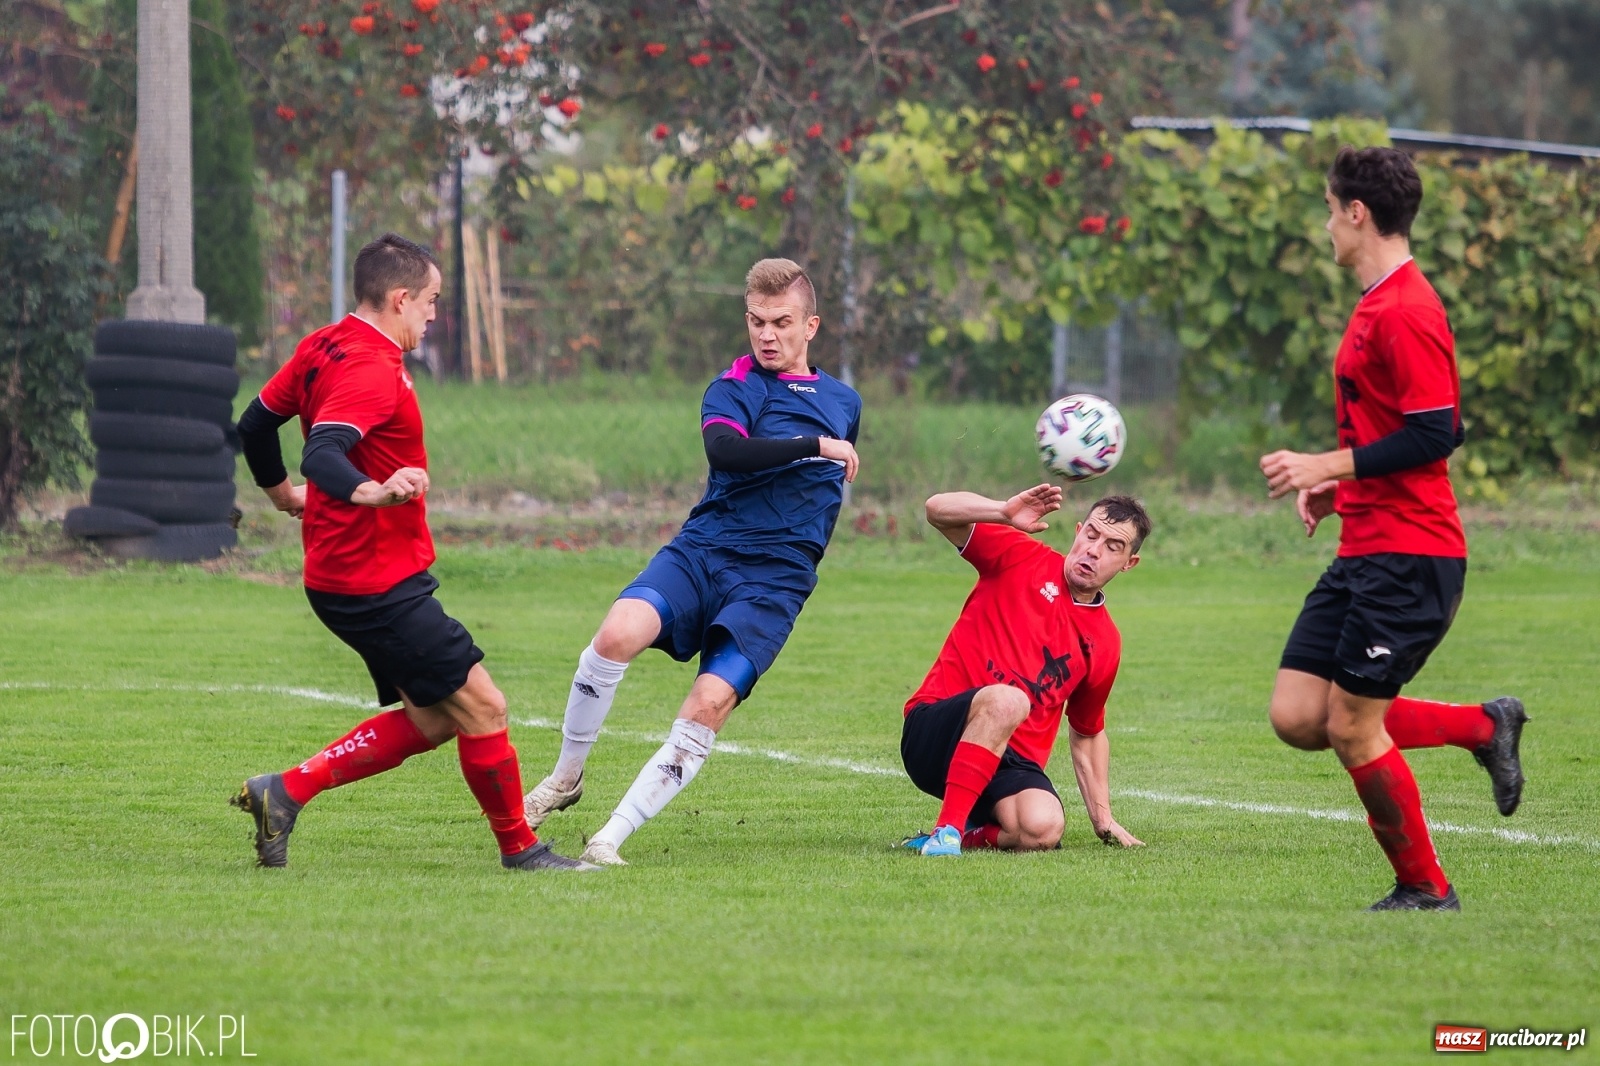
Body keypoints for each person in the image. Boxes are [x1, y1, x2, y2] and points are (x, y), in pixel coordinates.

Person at [230, 233, 591, 872]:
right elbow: (323, 453)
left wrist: (284, 496)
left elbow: (256, 424)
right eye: (430, 302)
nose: (433, 315)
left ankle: (283, 792)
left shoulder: (323, 343)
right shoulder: (371, 367)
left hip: (347, 575)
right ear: (400, 299)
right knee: (484, 706)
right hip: (374, 582)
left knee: (435, 717)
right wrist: (371, 489)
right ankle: (521, 850)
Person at [521, 257, 862, 866]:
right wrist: (816, 445)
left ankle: (609, 840)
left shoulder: (844, 401)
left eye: (782, 322)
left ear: (812, 326)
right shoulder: (732, 386)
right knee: (615, 635)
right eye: (756, 321)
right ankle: (565, 778)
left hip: (776, 580)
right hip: (706, 549)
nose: (766, 335)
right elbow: (726, 451)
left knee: (708, 702)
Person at [1259, 147, 1527, 911]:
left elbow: (1439, 433)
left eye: (1326, 208)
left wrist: (1326, 466)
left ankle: (1424, 886)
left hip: (1412, 556)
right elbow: (1420, 426)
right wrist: (1342, 493)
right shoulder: (1378, 301)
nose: (1325, 226)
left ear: (1356, 213)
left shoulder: (1406, 307)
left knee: (1350, 724)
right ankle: (1484, 727)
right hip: (1368, 546)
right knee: (1299, 715)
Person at [899, 487, 1150, 857]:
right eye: (1092, 535)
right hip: (934, 733)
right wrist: (1002, 511)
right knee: (1009, 699)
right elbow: (936, 509)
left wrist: (1103, 817)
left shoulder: (1105, 641)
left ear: (1129, 563)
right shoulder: (1021, 556)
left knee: (1043, 827)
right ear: (1078, 531)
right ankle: (946, 831)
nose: (1094, 550)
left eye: (1113, 546)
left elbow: (1087, 732)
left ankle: (968, 835)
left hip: (1008, 763)